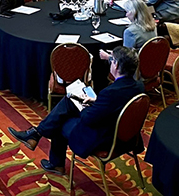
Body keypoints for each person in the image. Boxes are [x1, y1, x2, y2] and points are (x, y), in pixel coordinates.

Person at [9, 46, 145, 173]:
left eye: (112, 60)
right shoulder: (138, 86)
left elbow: (88, 119)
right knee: (69, 103)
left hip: (105, 137)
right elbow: (118, 105)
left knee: (61, 120)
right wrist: (96, 101)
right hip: (125, 134)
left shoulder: (110, 93)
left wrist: (84, 107)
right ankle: (36, 135)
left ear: (116, 65)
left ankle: (44, 147)